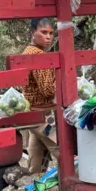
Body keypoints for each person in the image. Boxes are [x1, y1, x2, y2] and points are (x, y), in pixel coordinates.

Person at [21, 18, 57, 173]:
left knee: (36, 162)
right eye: (43, 32)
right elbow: (48, 90)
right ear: (32, 32)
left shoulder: (27, 52)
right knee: (64, 153)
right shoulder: (39, 56)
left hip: (31, 115)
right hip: (45, 116)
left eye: (51, 33)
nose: (48, 37)